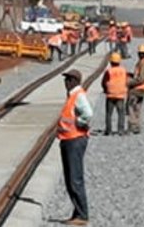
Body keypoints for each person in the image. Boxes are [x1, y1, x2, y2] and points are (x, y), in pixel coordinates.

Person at [57, 69, 93, 225]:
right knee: (71, 178)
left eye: (68, 79)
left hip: (75, 140)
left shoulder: (78, 95)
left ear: (75, 81)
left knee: (75, 179)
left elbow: (88, 113)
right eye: (66, 79)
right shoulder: (73, 95)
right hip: (69, 139)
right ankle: (77, 212)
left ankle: (82, 215)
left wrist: (80, 123)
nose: (66, 82)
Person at [102, 51, 128, 136]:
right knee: (121, 113)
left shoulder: (109, 71)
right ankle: (120, 130)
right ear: (119, 61)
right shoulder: (123, 70)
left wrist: (105, 89)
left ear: (111, 61)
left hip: (110, 95)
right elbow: (126, 81)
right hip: (120, 95)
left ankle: (108, 130)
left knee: (109, 113)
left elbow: (104, 82)